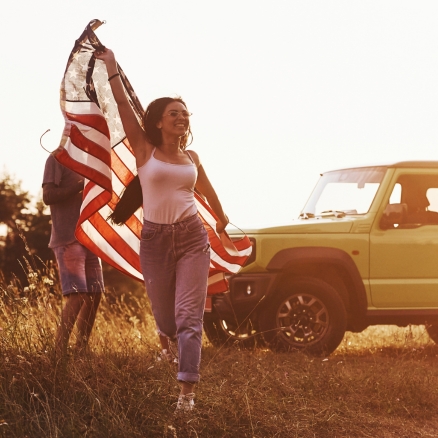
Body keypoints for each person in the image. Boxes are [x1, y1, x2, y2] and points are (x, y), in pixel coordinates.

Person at [94, 48, 229, 413]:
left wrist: (221, 216)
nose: (181, 118)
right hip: (154, 241)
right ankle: (166, 348)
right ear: (158, 121)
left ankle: (186, 394)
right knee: (167, 321)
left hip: (191, 238)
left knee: (189, 319)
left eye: (185, 114)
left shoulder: (192, 158)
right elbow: (122, 104)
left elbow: (207, 188)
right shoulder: (143, 149)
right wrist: (110, 66)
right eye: (174, 113)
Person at [42, 155, 104, 357]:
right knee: (77, 294)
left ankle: (81, 349)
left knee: (95, 294)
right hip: (68, 238)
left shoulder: (90, 161)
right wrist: (79, 185)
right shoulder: (56, 158)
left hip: (90, 238)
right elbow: (48, 196)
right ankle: (59, 352)